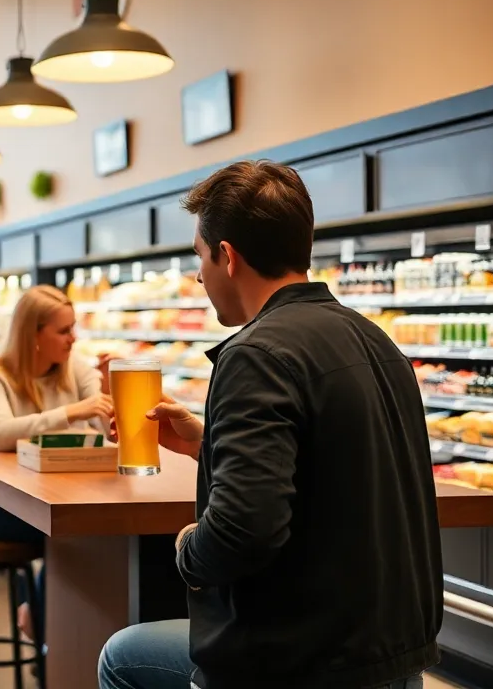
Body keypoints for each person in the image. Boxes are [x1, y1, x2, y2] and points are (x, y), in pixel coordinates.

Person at [98, 160, 440, 689]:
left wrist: (188, 550)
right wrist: (207, 443)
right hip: (390, 657)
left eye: (200, 256)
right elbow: (328, 465)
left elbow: (243, 532)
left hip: (299, 661)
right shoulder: (377, 340)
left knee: (121, 659)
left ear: (228, 256)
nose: (199, 275)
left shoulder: (255, 354)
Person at [0, 285, 112, 644]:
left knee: (92, 532)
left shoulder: (75, 369)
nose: (73, 338)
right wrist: (71, 412)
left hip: (57, 495)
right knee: (73, 535)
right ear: (33, 335)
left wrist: (112, 391)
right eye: (63, 331)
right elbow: (1, 433)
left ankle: (61, 633)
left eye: (73, 328)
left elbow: (104, 426)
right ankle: (51, 643)